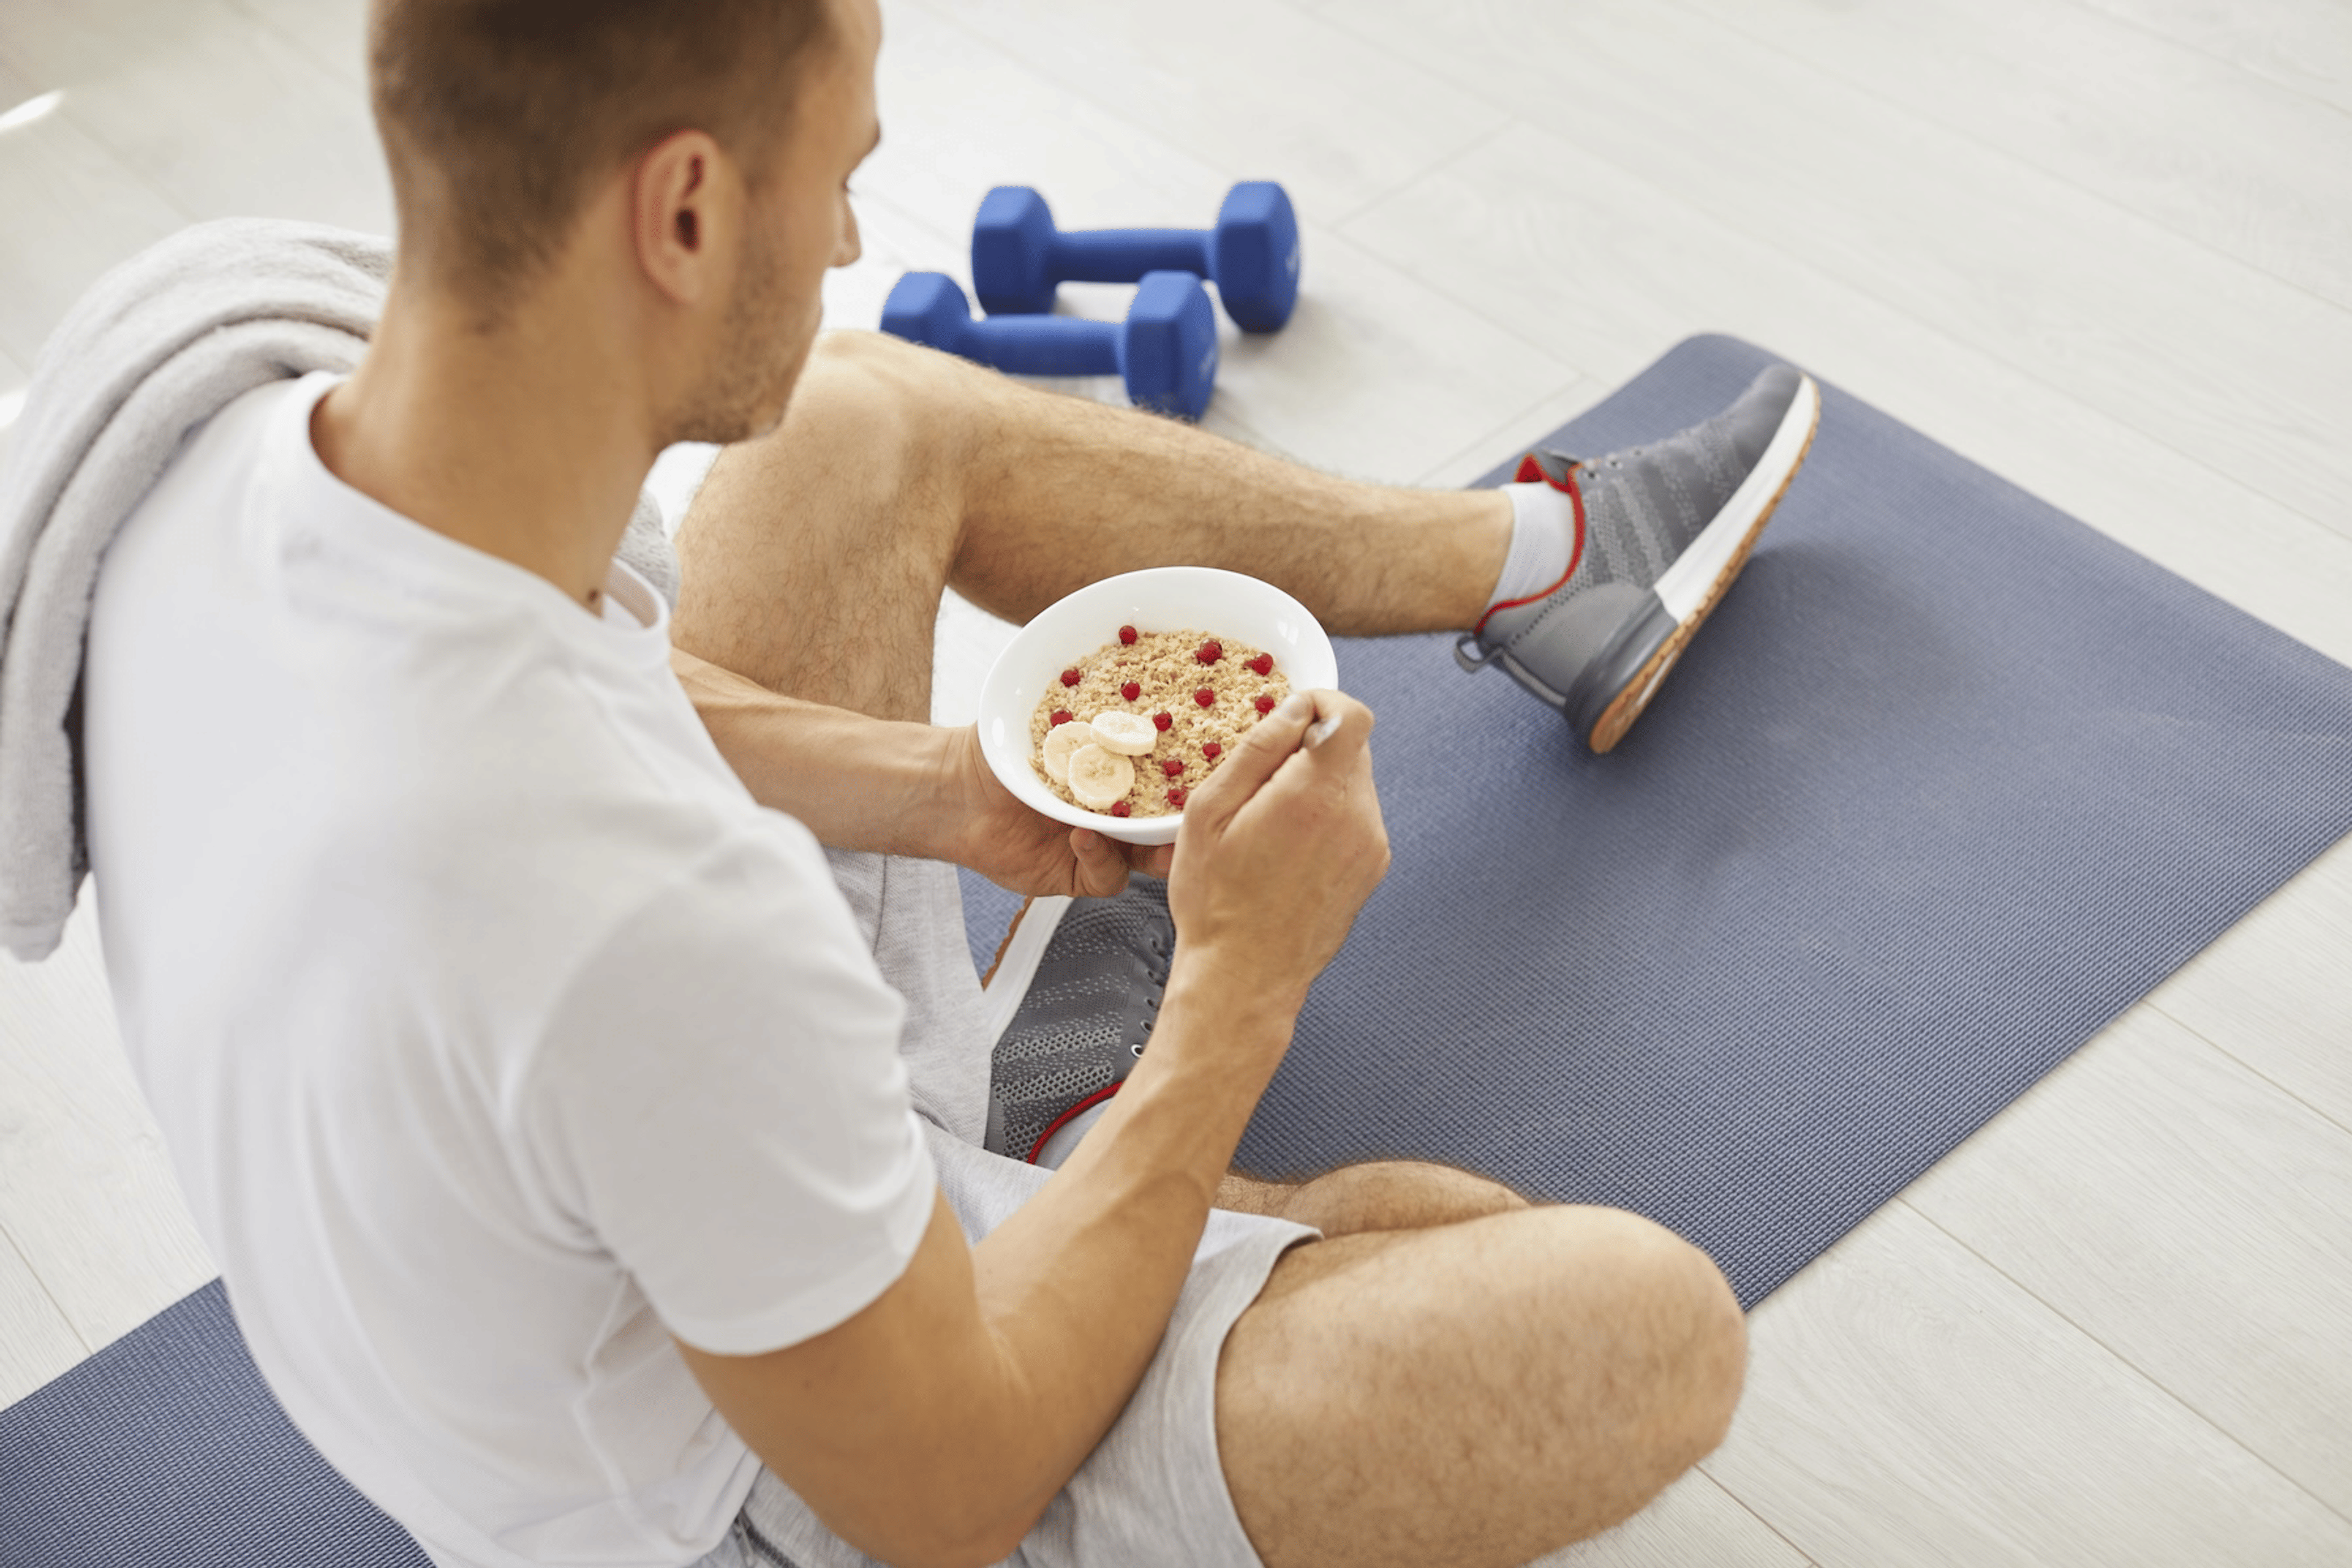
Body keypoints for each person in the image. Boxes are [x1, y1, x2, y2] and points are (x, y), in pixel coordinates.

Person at [78, 1, 1812, 1564]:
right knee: (1625, 1324)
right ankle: (1079, 1167)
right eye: (837, 178)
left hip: (636, 1184)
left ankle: (1547, 565)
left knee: (849, 417)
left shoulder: (224, 423)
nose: (845, 233)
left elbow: (572, 675)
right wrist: (1233, 996)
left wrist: (940, 786)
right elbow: (943, 1497)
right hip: (761, 1491)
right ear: (683, 209)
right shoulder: (646, 910)